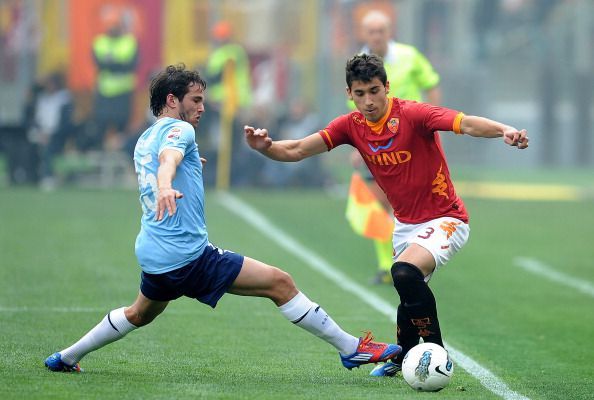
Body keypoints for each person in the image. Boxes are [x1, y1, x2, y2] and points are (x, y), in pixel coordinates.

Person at [44, 64, 400, 373]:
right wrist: (167, 183)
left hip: (153, 253)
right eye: (196, 100)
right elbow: (168, 160)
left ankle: (66, 356)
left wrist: (185, 167)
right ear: (172, 100)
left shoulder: (144, 139)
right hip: (187, 256)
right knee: (280, 283)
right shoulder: (182, 131)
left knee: (139, 313)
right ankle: (350, 348)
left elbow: (165, 158)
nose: (203, 107)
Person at [244, 54, 528, 377]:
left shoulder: (413, 114)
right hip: (405, 225)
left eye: (374, 91)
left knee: (404, 272)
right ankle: (402, 356)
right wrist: (265, 147)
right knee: (408, 289)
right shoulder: (351, 126)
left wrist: (504, 130)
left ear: (387, 87)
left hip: (446, 218)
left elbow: (465, 123)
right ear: (349, 93)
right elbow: (297, 149)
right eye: (360, 93)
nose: (368, 101)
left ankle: (435, 354)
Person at [354, 9, 443, 285]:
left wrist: (432, 121)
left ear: (389, 32)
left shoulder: (409, 55)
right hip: (375, 143)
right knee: (379, 204)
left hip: (411, 143)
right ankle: (386, 265)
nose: (376, 36)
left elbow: (431, 84)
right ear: (364, 34)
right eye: (371, 31)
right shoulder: (357, 64)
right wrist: (356, 144)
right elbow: (354, 106)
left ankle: (415, 261)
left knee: (413, 204)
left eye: (381, 31)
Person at [86, 8, 139, 151]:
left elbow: (131, 65)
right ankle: (100, 153)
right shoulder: (100, 42)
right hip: (104, 92)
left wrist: (110, 64)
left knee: (122, 128)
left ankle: (122, 154)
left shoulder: (129, 42)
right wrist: (118, 63)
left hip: (123, 92)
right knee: (100, 126)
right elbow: (99, 63)